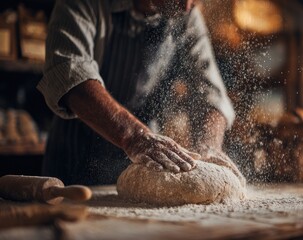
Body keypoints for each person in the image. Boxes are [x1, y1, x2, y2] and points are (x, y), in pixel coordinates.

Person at [38, 0, 238, 185]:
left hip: (146, 163)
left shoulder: (185, 16)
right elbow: (69, 74)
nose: (187, 5)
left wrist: (209, 145)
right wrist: (135, 136)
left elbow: (211, 96)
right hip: (73, 165)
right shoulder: (87, 3)